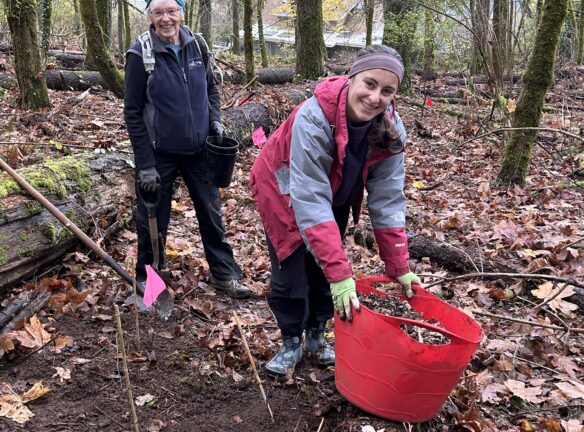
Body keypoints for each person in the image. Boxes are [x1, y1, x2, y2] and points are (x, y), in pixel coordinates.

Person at [249, 45, 421, 376]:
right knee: (291, 275)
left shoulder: (389, 128)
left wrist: (398, 264)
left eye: (387, 91)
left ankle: (316, 334)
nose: (375, 97)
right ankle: (291, 341)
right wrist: (342, 275)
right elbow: (308, 198)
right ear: (352, 78)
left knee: (323, 268)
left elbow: (387, 198)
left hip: (334, 192)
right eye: (369, 84)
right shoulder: (314, 117)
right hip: (284, 190)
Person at [123, 0, 251, 299]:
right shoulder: (140, 53)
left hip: (199, 151)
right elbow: (132, 112)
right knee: (153, 219)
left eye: (171, 11)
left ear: (181, 12)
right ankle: (149, 279)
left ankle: (224, 275)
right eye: (158, 13)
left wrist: (216, 121)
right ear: (150, 17)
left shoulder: (198, 45)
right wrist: (145, 164)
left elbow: (211, 90)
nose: (166, 19)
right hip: (160, 153)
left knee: (211, 213)